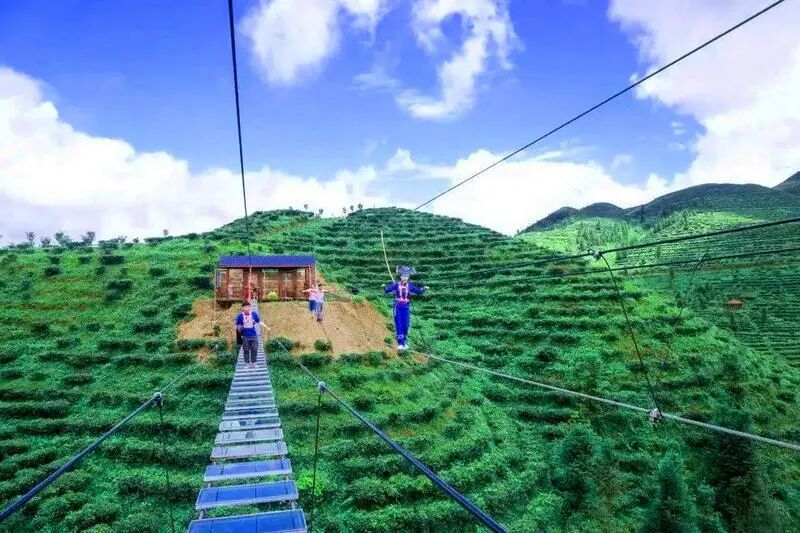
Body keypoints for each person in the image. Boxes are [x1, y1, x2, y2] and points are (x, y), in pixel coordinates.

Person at [384, 266, 427, 352]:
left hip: (406, 308)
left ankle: (404, 342)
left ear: (408, 277)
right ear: (401, 276)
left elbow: (418, 291)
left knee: (406, 325)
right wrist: (384, 287)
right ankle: (400, 344)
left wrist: (424, 289)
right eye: (403, 276)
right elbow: (388, 289)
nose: (405, 278)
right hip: (397, 307)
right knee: (399, 324)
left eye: (406, 276)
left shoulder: (410, 286)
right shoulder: (396, 284)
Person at [235, 301, 261, 368]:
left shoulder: (254, 314)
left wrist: (266, 327)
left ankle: (254, 363)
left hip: (254, 335)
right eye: (246, 306)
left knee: (254, 349)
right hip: (245, 336)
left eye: (249, 306)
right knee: (246, 350)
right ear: (243, 308)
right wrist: (239, 328)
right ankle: (247, 364)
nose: (248, 308)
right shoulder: (240, 316)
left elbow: (259, 321)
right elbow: (238, 327)